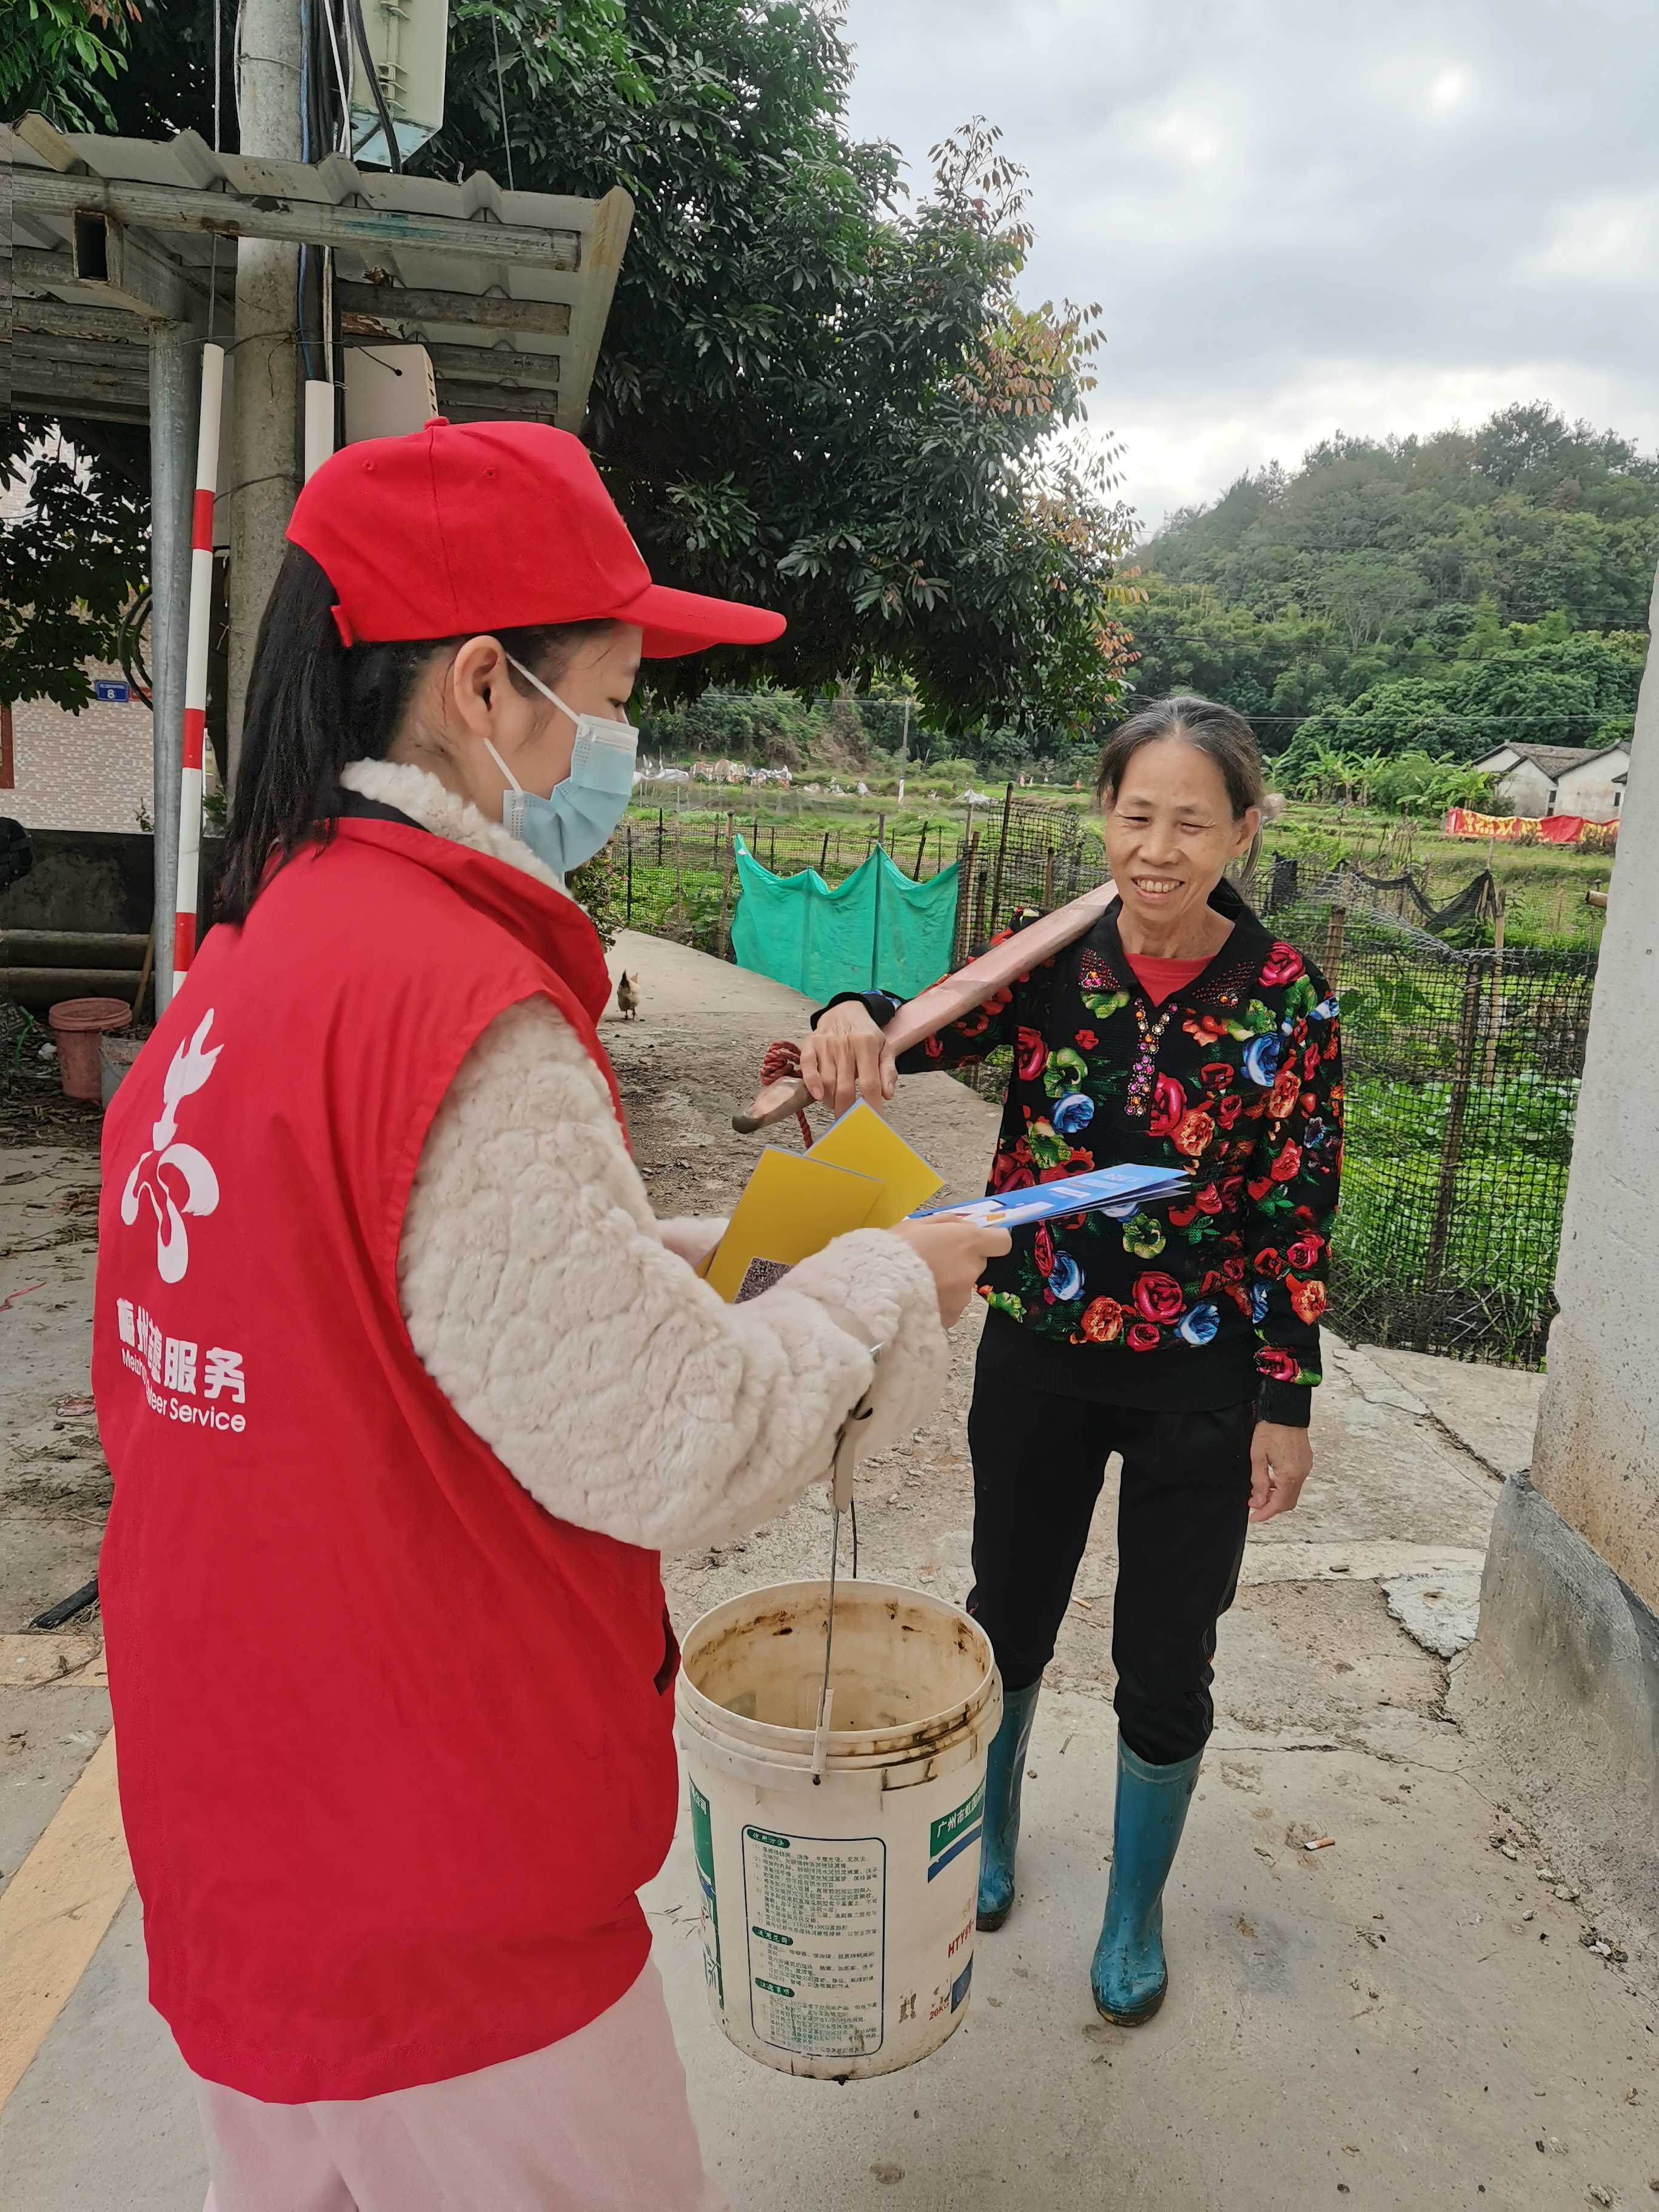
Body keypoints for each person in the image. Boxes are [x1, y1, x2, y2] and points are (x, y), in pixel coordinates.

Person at [92, 418, 1007, 2212]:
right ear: (488, 691)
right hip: (442, 1885)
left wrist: (675, 1253)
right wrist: (895, 1272)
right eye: (616, 688)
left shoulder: (254, 964)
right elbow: (679, 1444)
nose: (625, 744)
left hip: (250, 1837)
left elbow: (382, 1304)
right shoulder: (461, 1003)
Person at [799, 696, 1342, 2025]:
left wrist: (1287, 1400)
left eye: (1192, 823)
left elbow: (1296, 1208)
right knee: (1014, 1606)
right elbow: (916, 1024)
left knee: (1168, 1651)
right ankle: (989, 1841)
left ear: (1244, 832)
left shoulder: (1286, 1000)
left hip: (1202, 1387)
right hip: (1039, 1351)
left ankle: (1134, 1907)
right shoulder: (1050, 960)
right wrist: (844, 1014)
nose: (1158, 848)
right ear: (1105, 818)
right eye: (1136, 815)